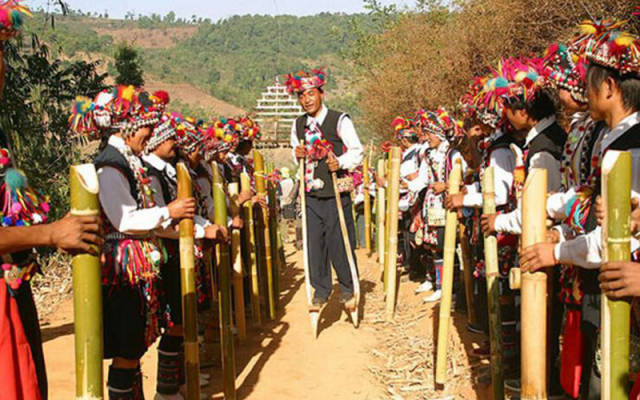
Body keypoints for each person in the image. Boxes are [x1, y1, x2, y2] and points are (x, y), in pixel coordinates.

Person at [287, 68, 364, 307]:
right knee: (314, 243)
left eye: (310, 94)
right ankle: (321, 289)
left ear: (321, 93)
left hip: (335, 193)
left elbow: (357, 152)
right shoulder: (298, 124)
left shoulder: (340, 120)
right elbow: (295, 152)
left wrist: (339, 162)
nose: (306, 100)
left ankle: (348, 286)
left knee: (339, 239)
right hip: (310, 193)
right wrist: (296, 154)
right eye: (301, 95)